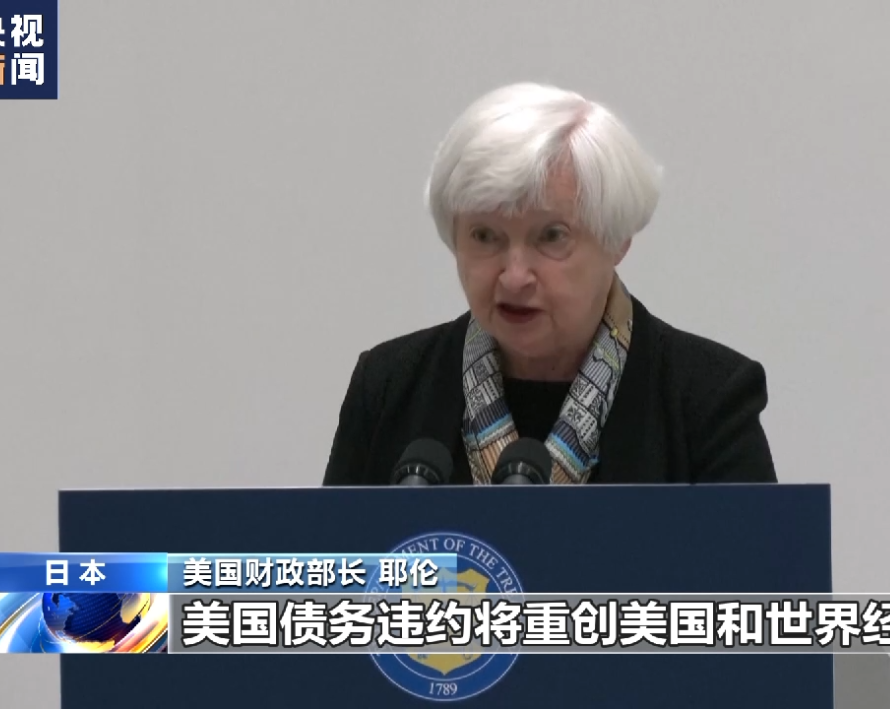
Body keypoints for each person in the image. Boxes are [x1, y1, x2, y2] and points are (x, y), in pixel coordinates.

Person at [324, 82, 776, 486]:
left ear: (617, 241)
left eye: (551, 236)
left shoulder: (708, 399)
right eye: (485, 236)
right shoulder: (388, 388)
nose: (515, 277)